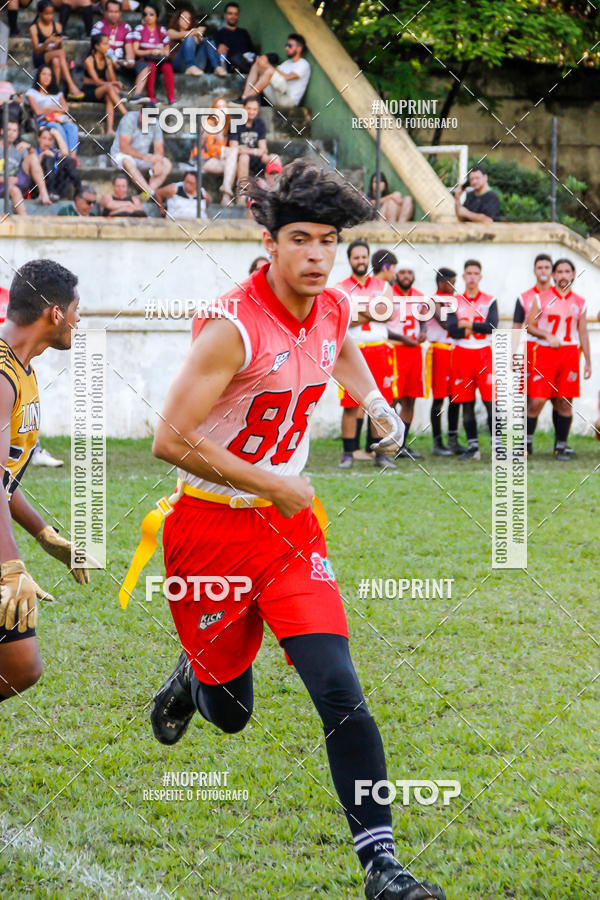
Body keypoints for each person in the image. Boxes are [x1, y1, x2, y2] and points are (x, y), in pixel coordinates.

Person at [143, 159, 444, 900]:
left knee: (340, 686)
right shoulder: (230, 328)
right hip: (207, 532)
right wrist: (275, 480)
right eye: (301, 240)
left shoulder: (335, 304)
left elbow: (340, 345)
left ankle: (381, 864)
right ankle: (193, 679)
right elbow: (169, 436)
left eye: (328, 241)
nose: (316, 255)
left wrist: (375, 403)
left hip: (289, 537)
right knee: (232, 713)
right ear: (271, 244)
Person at [0, 259, 96, 700]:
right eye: (76, 310)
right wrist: (11, 568)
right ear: (55, 313)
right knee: (21, 666)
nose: (78, 321)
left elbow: (4, 479)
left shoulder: (23, 369)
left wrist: (43, 534)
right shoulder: (3, 378)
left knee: (20, 667)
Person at [337, 240, 396, 470]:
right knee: (350, 404)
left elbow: (388, 313)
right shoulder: (340, 288)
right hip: (353, 351)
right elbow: (343, 320)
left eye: (364, 257)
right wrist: (373, 312)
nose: (360, 261)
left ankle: (379, 452)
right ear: (350, 260)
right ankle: (348, 452)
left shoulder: (382, 287)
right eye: (356, 257)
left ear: (368, 258)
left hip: (379, 349)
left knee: (381, 403)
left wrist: (359, 313)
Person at [525, 258, 591, 460]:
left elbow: (583, 333)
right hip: (546, 353)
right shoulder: (541, 298)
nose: (563, 276)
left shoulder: (580, 302)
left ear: (572, 274)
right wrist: (546, 335)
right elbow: (530, 326)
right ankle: (525, 445)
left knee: (564, 401)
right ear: (553, 275)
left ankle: (560, 446)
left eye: (567, 272)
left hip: (569, 354)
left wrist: (588, 361)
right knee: (536, 401)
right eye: (559, 272)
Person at [513, 254, 574, 456]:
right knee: (532, 398)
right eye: (540, 267)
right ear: (534, 270)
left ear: (552, 271)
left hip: (554, 351)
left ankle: (560, 443)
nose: (543, 271)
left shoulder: (561, 295)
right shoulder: (525, 297)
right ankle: (526, 444)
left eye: (547, 267)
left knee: (560, 398)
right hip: (531, 351)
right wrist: (514, 354)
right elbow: (517, 327)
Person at [375, 253, 425, 459]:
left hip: (414, 352)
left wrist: (424, 333)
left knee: (410, 399)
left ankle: (402, 444)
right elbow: (384, 326)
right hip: (394, 350)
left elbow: (423, 320)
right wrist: (403, 338)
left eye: (409, 273)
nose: (405, 276)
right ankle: (388, 442)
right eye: (402, 272)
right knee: (391, 399)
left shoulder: (420, 296)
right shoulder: (388, 294)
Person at [449, 260, 498, 461]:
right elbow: (452, 330)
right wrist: (477, 325)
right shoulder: (455, 301)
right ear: (463, 276)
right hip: (461, 354)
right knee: (465, 403)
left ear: (480, 276)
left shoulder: (490, 300)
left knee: (491, 403)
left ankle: (498, 446)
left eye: (475, 273)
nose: (471, 277)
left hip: (484, 354)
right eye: (468, 273)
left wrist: (468, 324)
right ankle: (473, 447)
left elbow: (492, 326)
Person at [426, 268, 465, 456]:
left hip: (455, 351)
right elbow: (447, 323)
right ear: (441, 282)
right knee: (439, 398)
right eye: (450, 282)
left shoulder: (456, 300)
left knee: (455, 397)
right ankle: (437, 442)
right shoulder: (433, 300)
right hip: (439, 350)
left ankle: (453, 440)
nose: (453, 286)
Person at [109, 107, 172, 198]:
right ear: (139, 112)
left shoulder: (156, 124)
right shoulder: (128, 119)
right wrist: (144, 157)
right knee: (127, 161)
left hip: (142, 156)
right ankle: (150, 193)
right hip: (121, 155)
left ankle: (146, 194)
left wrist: (157, 161)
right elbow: (124, 147)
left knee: (166, 163)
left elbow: (159, 149)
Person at [187, 97, 239, 206]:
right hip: (203, 160)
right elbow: (210, 149)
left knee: (232, 164)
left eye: (224, 106)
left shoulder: (226, 126)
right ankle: (226, 191)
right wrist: (227, 152)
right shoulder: (209, 123)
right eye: (218, 107)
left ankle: (226, 196)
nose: (221, 109)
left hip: (214, 160)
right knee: (233, 153)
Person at [29, 0, 84, 100]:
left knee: (56, 61)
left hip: (53, 55)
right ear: (40, 13)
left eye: (51, 13)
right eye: (46, 14)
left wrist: (57, 43)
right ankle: (71, 85)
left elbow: (58, 49)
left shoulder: (57, 26)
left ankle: (54, 91)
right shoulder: (34, 28)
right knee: (60, 54)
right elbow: (37, 51)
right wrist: (47, 42)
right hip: (39, 57)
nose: (49, 16)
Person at [25, 65, 80, 161]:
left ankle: (73, 156)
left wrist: (46, 108)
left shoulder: (57, 93)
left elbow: (65, 109)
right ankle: (66, 156)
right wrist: (56, 108)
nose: (46, 77)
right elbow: (37, 111)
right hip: (44, 122)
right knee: (57, 127)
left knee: (72, 127)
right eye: (44, 74)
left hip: (60, 120)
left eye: (49, 75)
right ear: (38, 76)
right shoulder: (32, 92)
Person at [241, 33, 310, 108]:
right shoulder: (286, 63)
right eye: (286, 45)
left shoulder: (303, 64)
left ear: (299, 48)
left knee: (269, 70)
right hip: (276, 97)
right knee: (257, 65)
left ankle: (247, 99)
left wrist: (268, 65)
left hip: (289, 102)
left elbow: (286, 78)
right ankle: (244, 96)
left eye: (290, 46)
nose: (286, 48)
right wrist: (262, 63)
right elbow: (273, 74)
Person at [0, 120, 52, 215]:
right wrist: (5, 179)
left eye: (15, 131)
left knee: (32, 156)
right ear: (2, 131)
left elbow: (36, 161)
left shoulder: (19, 149)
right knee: (14, 190)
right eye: (9, 130)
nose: (11, 133)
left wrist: (29, 147)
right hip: (3, 184)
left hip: (16, 182)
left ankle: (43, 193)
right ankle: (25, 222)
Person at [129, 4, 175, 106]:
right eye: (145, 14)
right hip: (144, 60)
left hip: (159, 59)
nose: (148, 17)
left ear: (157, 16)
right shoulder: (139, 29)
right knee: (151, 67)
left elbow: (167, 50)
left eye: (151, 14)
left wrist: (161, 51)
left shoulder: (161, 30)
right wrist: (150, 52)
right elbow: (136, 51)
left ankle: (171, 98)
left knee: (168, 67)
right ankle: (151, 96)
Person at [83, 34, 128, 136]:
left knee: (109, 96)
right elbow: (97, 81)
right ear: (96, 46)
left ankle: (110, 130)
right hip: (89, 91)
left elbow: (112, 79)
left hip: (104, 89)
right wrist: (114, 83)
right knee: (109, 88)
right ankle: (126, 114)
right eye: (105, 44)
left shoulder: (106, 59)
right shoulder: (89, 60)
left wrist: (109, 63)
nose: (108, 47)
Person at [229, 97, 269, 202]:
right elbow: (234, 148)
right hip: (239, 160)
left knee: (274, 158)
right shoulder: (235, 123)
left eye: (254, 109)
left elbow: (263, 149)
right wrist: (255, 151)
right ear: (243, 108)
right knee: (244, 157)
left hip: (256, 159)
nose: (251, 112)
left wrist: (259, 152)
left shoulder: (260, 123)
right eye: (249, 108)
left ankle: (275, 193)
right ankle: (242, 195)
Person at [167, 6, 225, 76]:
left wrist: (199, 36)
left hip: (196, 65)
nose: (187, 21)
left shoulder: (193, 33)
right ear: (177, 19)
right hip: (178, 64)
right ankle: (190, 66)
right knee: (189, 38)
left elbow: (198, 41)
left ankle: (216, 66)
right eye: (184, 18)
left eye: (189, 18)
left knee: (207, 40)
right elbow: (178, 35)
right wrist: (194, 32)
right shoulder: (170, 31)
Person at [91, 0, 137, 79]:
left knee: (145, 67)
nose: (114, 15)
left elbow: (129, 49)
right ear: (105, 12)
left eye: (116, 12)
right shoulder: (98, 27)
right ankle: (114, 88)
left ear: (120, 13)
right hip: (104, 60)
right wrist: (113, 59)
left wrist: (130, 61)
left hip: (120, 61)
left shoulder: (126, 27)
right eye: (111, 11)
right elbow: (99, 49)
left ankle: (137, 92)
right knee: (108, 63)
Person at [35, 127, 81, 200]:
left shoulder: (54, 152)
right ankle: (50, 193)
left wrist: (57, 134)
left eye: (50, 139)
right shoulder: (34, 151)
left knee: (67, 160)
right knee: (48, 158)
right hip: (40, 186)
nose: (47, 142)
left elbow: (65, 153)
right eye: (44, 138)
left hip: (57, 186)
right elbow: (33, 168)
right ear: (39, 139)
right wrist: (43, 155)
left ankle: (79, 191)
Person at [214, 1, 254, 73]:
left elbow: (252, 50)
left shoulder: (243, 32)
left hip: (246, 61)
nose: (233, 16)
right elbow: (217, 52)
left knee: (273, 57)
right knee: (236, 58)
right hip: (231, 65)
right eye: (230, 13)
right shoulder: (218, 33)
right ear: (225, 15)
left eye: (236, 14)